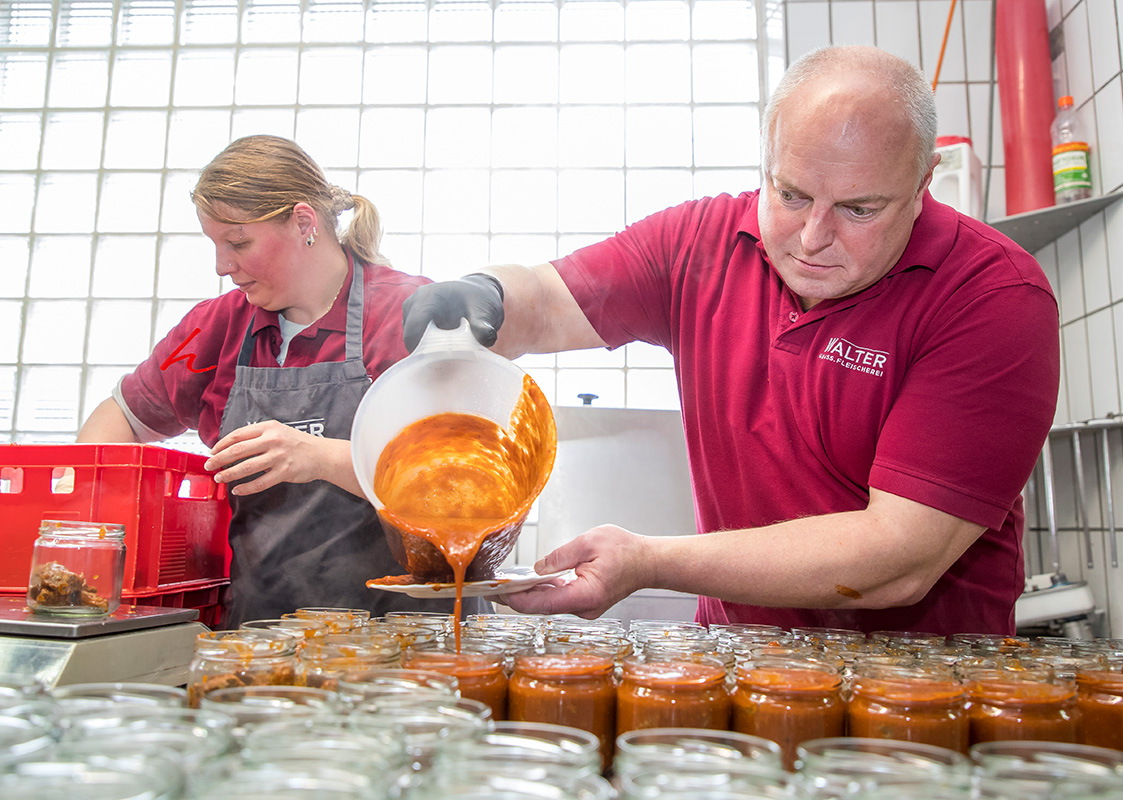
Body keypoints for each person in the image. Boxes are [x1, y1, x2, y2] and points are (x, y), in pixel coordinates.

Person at [400, 45, 1060, 636]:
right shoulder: (699, 245)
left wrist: (648, 562)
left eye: (859, 209)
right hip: (741, 668)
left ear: (922, 187)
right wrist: (482, 296)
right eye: (791, 194)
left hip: (921, 697)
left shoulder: (990, 296)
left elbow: (898, 559)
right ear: (766, 163)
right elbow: (546, 303)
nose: (812, 237)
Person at [78, 135, 490, 628]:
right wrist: (86, 540)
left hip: (412, 642)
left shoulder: (411, 316)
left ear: (302, 222)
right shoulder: (217, 328)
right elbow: (120, 418)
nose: (221, 266)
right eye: (214, 245)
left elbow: (461, 481)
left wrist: (318, 457)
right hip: (265, 639)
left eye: (238, 242)